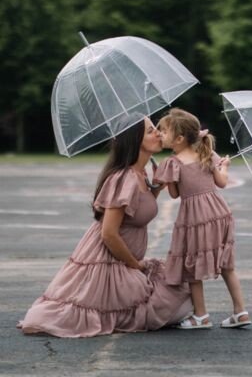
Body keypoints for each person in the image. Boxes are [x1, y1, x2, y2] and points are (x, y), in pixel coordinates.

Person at [17, 114, 192, 338]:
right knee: (167, 303)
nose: (158, 133)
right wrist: (134, 266)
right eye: (150, 130)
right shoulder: (124, 178)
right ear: (134, 139)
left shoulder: (142, 173)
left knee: (179, 292)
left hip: (125, 259)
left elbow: (137, 211)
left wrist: (156, 187)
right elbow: (109, 234)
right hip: (110, 260)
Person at [154, 108, 251, 329]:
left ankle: (201, 316)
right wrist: (224, 166)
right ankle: (241, 311)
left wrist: (166, 179)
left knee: (192, 266)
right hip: (219, 213)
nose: (160, 134)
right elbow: (222, 183)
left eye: (164, 131)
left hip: (195, 217)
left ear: (179, 139)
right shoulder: (208, 154)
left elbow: (175, 194)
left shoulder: (173, 163)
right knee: (227, 265)